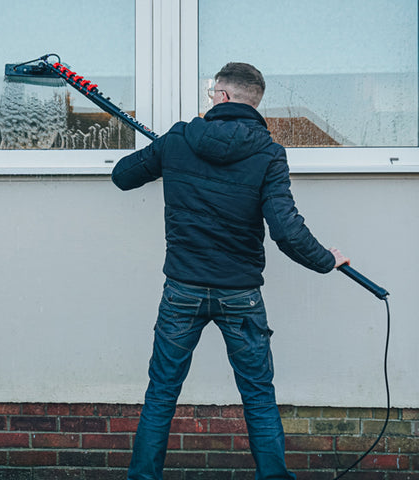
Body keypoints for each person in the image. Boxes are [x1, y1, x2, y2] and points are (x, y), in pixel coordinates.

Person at [111, 62, 349, 480]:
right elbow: (287, 231)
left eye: (211, 95)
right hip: (240, 295)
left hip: (182, 290)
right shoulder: (268, 152)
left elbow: (122, 176)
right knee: (258, 395)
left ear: (220, 96)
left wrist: (169, 151)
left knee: (162, 394)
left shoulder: (182, 136)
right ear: (253, 102)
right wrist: (327, 260)